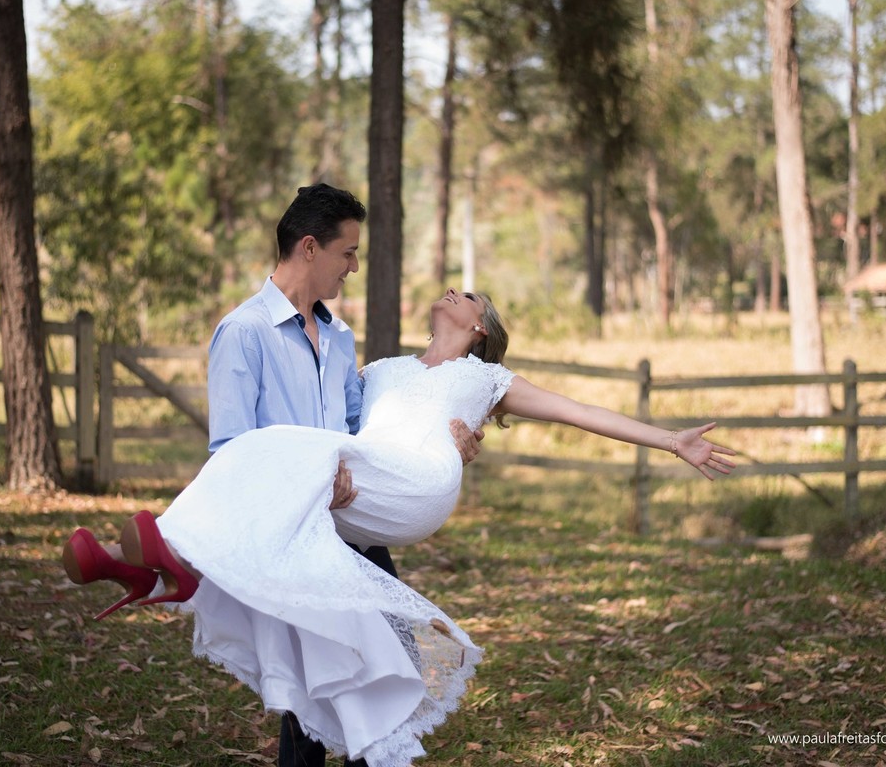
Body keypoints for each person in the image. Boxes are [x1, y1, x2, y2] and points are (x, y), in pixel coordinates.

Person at [62, 287, 736, 767]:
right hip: (359, 487)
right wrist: (333, 463)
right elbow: (327, 425)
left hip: (418, 486)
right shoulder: (380, 370)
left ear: (480, 327)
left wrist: (673, 440)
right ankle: (155, 572)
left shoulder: (487, 378)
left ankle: (174, 561)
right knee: (304, 580)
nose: (453, 289)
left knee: (275, 473)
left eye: (469, 294)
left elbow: (582, 411)